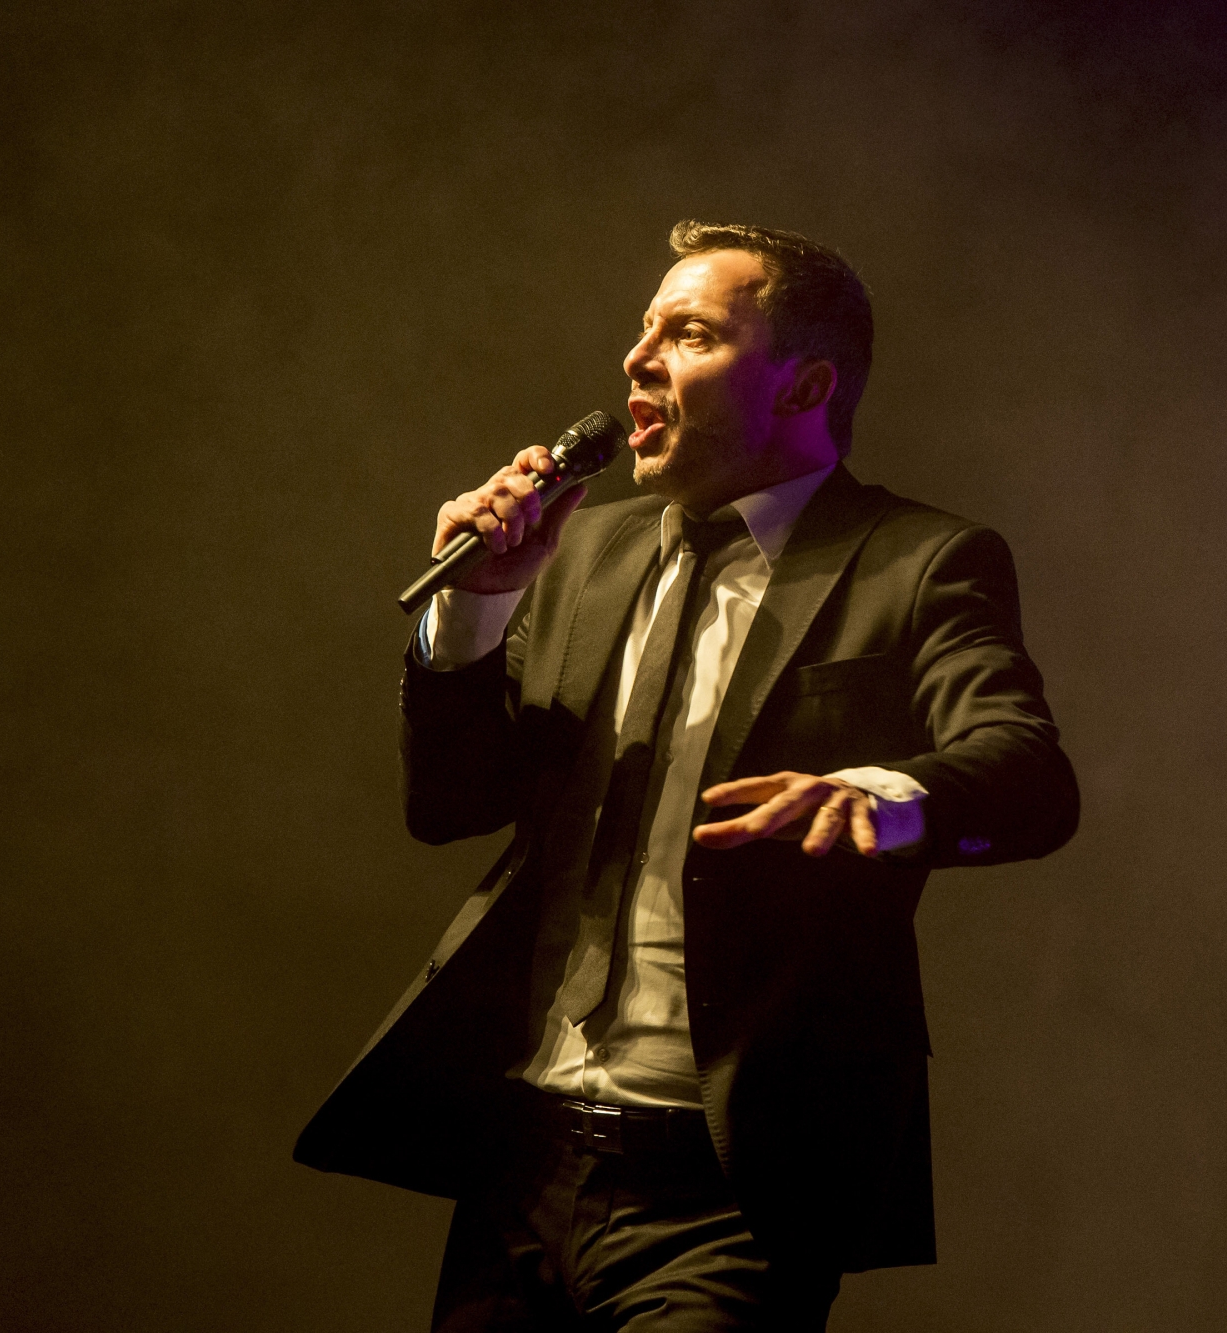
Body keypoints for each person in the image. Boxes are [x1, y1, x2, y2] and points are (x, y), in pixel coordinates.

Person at [295, 221, 1079, 1330]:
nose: (636, 359)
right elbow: (450, 806)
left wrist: (877, 794)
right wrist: (477, 606)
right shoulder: (587, 550)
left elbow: (1028, 775)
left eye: (690, 332)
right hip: (523, 1157)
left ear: (804, 382)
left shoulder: (916, 560)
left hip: (721, 1187)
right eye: (642, 329)